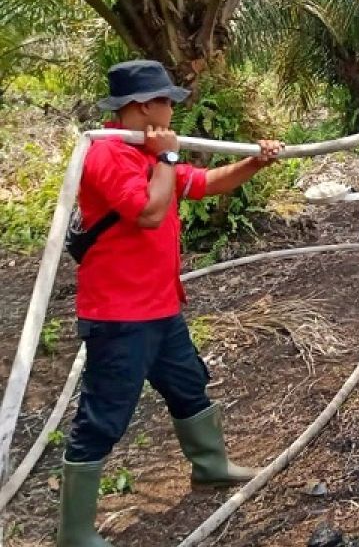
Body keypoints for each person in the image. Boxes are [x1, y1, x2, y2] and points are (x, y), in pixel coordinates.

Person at [58, 59, 284, 547]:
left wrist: (255, 162)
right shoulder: (110, 156)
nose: (173, 110)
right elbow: (148, 212)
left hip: (160, 307)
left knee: (189, 386)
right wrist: (166, 159)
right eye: (166, 102)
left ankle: (210, 466)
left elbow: (205, 184)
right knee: (104, 415)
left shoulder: (148, 153)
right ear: (143, 107)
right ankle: (74, 532)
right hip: (119, 316)